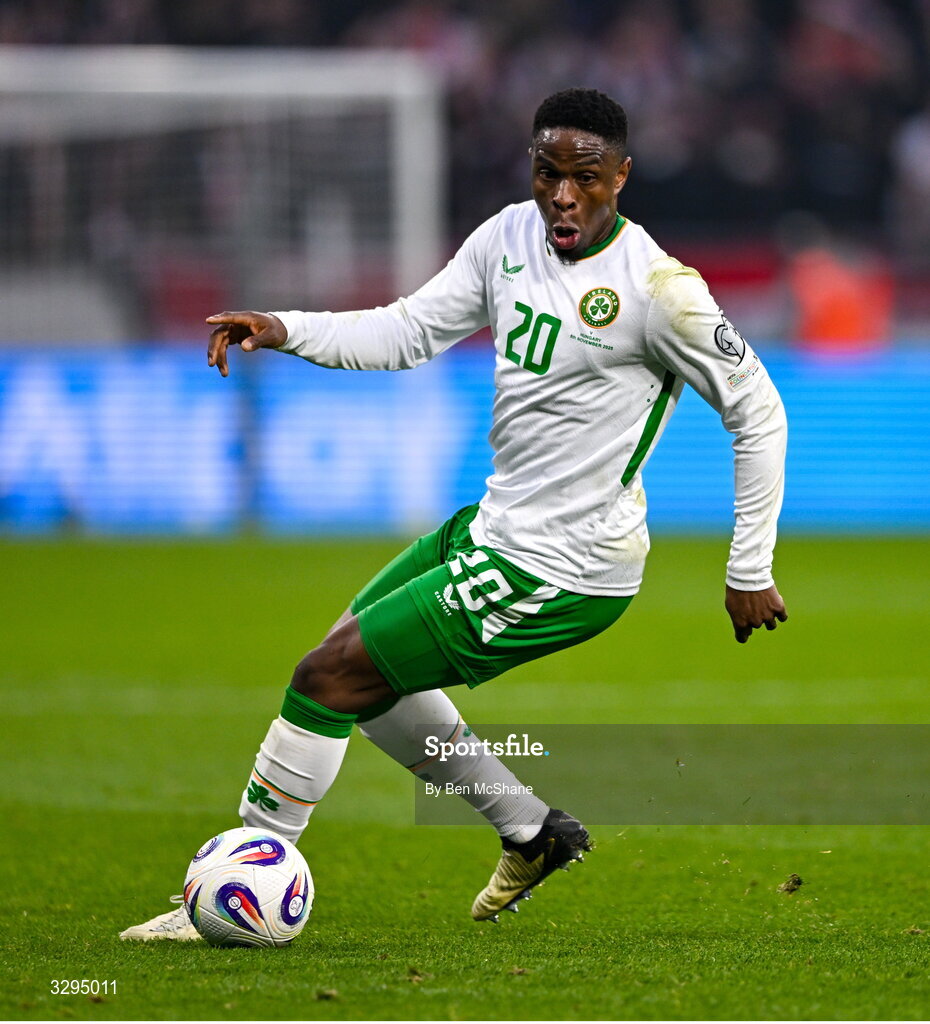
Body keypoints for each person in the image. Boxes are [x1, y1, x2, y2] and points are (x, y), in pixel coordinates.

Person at [120, 87, 787, 940]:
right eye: (548, 173)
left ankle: (233, 895)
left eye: (584, 176)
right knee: (367, 679)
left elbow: (759, 413)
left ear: (622, 177)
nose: (562, 195)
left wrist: (748, 569)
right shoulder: (509, 236)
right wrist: (283, 327)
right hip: (493, 527)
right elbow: (409, 331)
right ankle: (533, 832)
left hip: (564, 564)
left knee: (326, 678)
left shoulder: (662, 291)